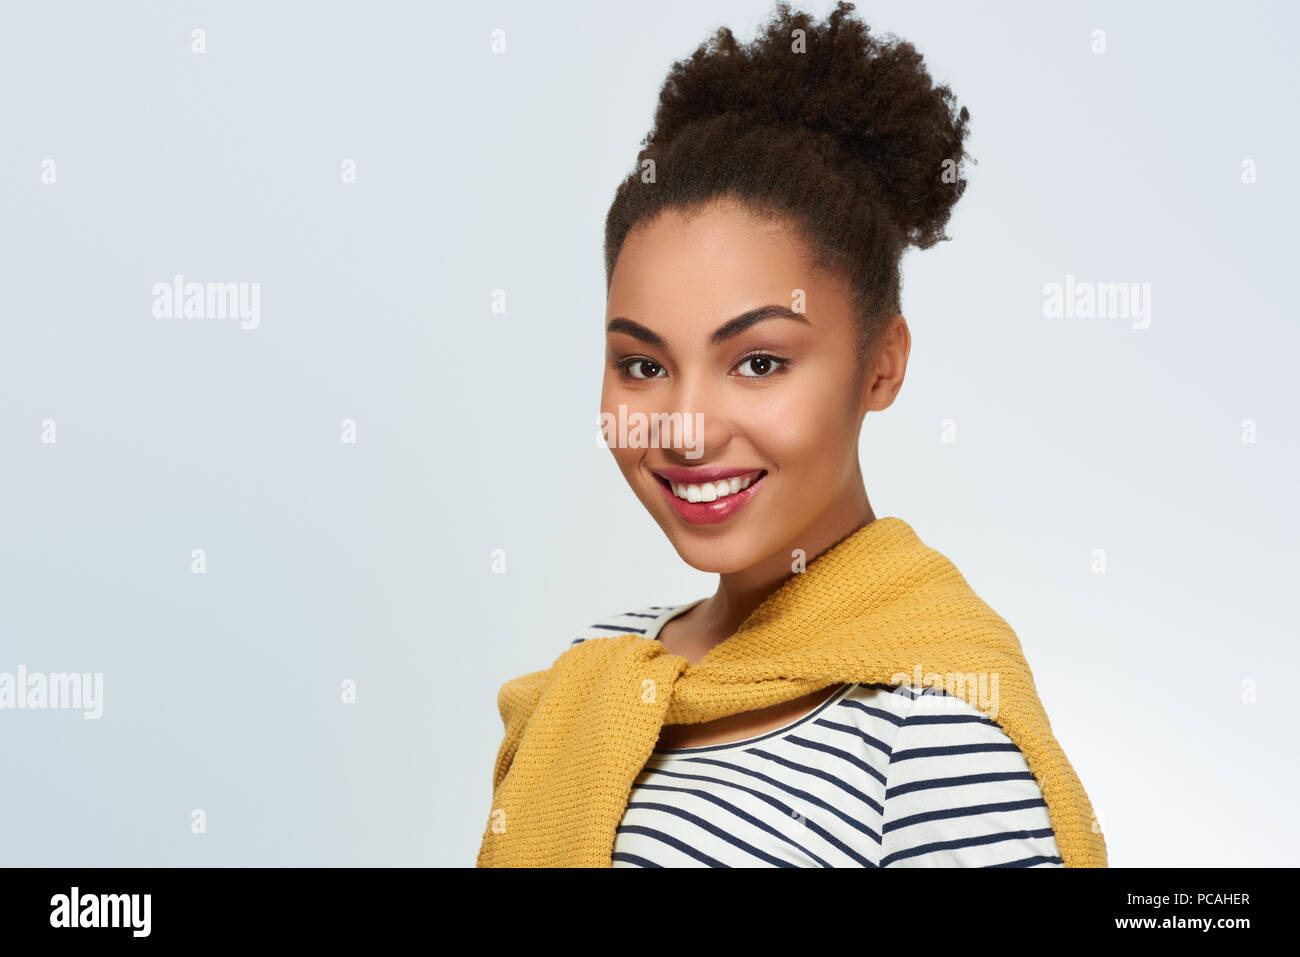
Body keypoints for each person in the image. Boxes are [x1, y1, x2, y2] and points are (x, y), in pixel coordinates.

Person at [478, 0, 1106, 868]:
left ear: (881, 365)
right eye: (644, 365)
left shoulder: (933, 731)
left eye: (760, 362)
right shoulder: (605, 666)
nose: (686, 429)